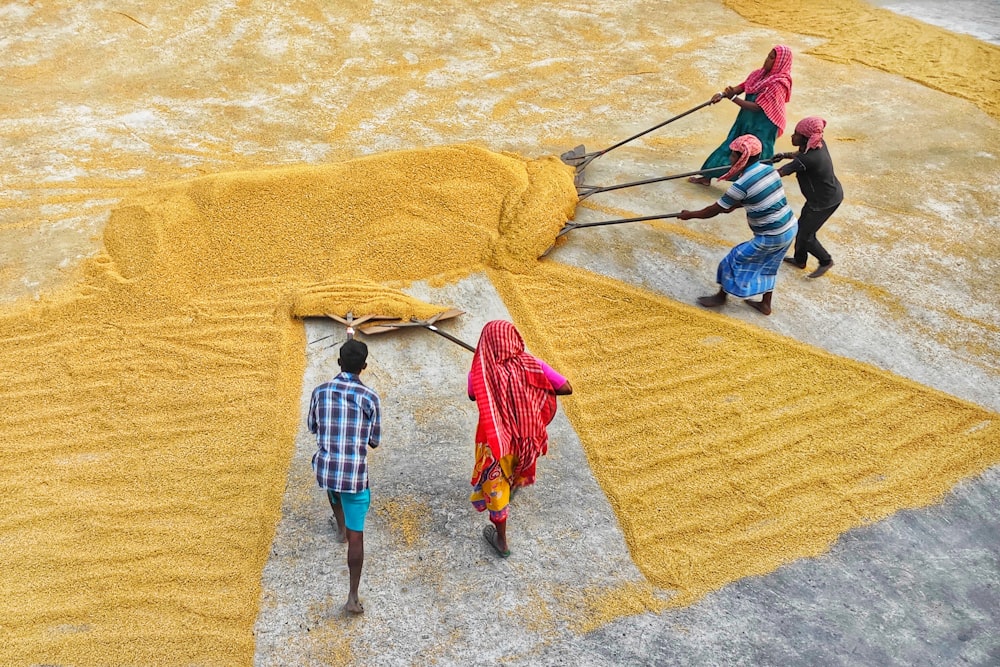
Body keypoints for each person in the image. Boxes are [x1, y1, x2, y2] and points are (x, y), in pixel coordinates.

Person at [467, 320, 572, 558]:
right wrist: (533, 384)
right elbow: (566, 387)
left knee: (496, 489)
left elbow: (473, 395)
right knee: (514, 469)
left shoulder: (479, 373)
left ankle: (501, 540)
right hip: (527, 437)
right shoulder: (533, 365)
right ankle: (512, 487)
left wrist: (486, 371)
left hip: (496, 442)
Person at [678, 134, 798, 316]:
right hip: (789, 226)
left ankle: (721, 297)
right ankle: (766, 305)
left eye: (732, 155)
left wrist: (690, 215)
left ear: (741, 157)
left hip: (772, 234)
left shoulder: (740, 185)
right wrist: (735, 205)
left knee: (732, 260)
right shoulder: (768, 170)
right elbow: (760, 195)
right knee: (769, 265)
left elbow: (713, 210)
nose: (730, 158)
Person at [307, 338, 381, 614]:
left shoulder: (320, 392)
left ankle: (340, 529)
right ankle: (352, 596)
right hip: (355, 476)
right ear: (363, 367)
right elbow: (374, 440)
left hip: (327, 469)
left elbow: (313, 426)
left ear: (339, 363)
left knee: (332, 481)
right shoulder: (370, 398)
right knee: (357, 536)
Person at [689, 45, 793, 186]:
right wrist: (722, 94)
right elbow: (742, 87)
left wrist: (733, 99)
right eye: (768, 56)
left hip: (764, 126)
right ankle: (707, 176)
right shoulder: (758, 75)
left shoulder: (778, 84)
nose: (767, 60)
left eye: (771, 58)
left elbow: (758, 107)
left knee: (757, 155)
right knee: (731, 145)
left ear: (780, 62)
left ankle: (758, 185)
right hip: (746, 120)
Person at [772, 116, 844, 278]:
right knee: (801, 227)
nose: (792, 136)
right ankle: (800, 260)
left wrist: (756, 174)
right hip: (821, 197)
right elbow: (799, 153)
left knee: (806, 236)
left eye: (796, 134)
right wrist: (784, 155)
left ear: (805, 138)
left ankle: (825, 261)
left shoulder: (807, 159)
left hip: (824, 202)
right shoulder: (816, 144)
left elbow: (781, 172)